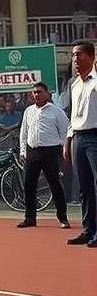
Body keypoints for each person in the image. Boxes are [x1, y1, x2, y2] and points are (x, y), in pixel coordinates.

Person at [17, 82, 70, 229]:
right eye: (34, 92)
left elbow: (65, 132)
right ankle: (30, 218)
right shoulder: (28, 111)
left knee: (55, 185)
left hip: (50, 152)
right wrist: (23, 151)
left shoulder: (56, 111)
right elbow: (23, 133)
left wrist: (63, 149)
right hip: (32, 152)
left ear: (47, 94)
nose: (37, 95)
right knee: (29, 185)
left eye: (40, 92)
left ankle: (62, 218)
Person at [64, 41, 97, 247]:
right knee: (83, 187)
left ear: (92, 57)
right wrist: (67, 140)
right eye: (73, 55)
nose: (75, 59)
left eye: (79, 55)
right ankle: (88, 230)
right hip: (78, 137)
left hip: (95, 136)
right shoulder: (74, 84)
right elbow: (73, 116)